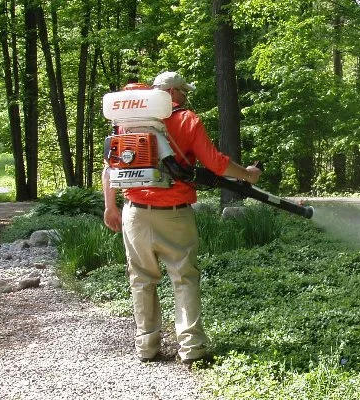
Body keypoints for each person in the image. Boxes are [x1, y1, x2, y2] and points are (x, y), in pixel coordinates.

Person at [102, 71, 261, 368]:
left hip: (134, 213)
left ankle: (147, 346)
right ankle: (191, 348)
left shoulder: (127, 121)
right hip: (175, 213)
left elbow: (110, 168)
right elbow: (215, 163)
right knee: (184, 278)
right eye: (184, 91)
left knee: (141, 280)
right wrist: (248, 175)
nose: (186, 96)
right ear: (173, 92)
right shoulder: (188, 119)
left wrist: (110, 207)